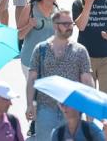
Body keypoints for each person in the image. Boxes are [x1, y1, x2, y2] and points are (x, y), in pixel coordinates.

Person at [26, 10, 95, 141]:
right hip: (45, 110)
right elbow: (32, 79)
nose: (70, 27)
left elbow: (87, 80)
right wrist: (30, 104)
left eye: (71, 24)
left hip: (72, 111)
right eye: (65, 24)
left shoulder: (80, 51)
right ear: (55, 25)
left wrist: (89, 109)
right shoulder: (41, 49)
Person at [18, 0, 62, 79]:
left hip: (51, 63)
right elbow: (19, 35)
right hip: (30, 62)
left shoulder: (57, 10)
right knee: (34, 95)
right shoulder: (30, 8)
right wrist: (29, 25)